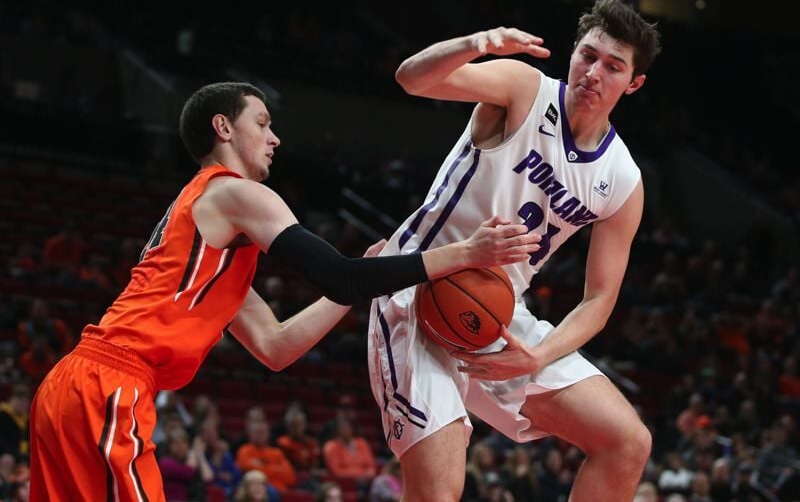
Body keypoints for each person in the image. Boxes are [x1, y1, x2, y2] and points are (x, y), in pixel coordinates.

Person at [28, 81, 539, 501]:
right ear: (223, 128)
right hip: (109, 385)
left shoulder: (209, 242)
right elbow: (337, 276)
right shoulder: (235, 192)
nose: (275, 139)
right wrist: (466, 254)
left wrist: (361, 275)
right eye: (262, 123)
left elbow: (275, 346)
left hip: (76, 385)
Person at [367, 0, 661, 501]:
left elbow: (600, 298)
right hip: (417, 289)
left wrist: (539, 355)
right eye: (588, 56)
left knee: (626, 442)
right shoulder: (524, 89)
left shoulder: (622, 179)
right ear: (573, 53)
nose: (594, 73)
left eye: (613, 67)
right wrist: (475, 45)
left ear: (633, 84)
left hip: (494, 312)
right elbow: (410, 79)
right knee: (438, 492)